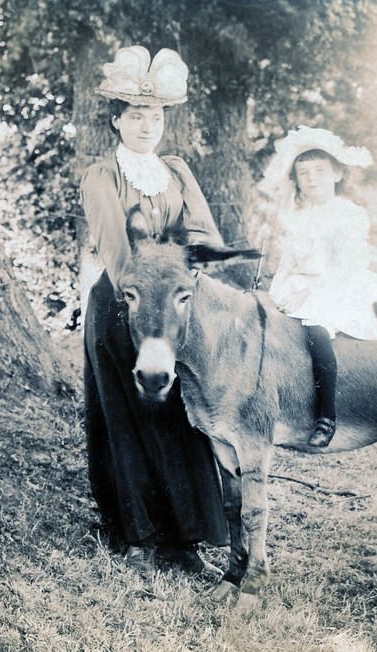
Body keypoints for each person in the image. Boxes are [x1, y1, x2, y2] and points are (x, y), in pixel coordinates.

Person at [79, 45, 228, 574]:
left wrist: (188, 278)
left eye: (156, 116)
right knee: (127, 420)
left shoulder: (176, 172)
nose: (147, 126)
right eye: (136, 116)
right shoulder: (103, 176)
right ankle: (138, 537)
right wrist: (153, 294)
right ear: (117, 121)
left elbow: (205, 236)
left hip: (173, 312)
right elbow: (119, 258)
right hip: (123, 309)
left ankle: (185, 541)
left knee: (181, 423)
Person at [259, 126, 377, 447]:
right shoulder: (297, 217)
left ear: (337, 173)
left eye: (320, 172)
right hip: (300, 285)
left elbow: (347, 265)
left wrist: (309, 294)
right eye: (303, 173)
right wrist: (277, 294)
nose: (311, 179)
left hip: (341, 286)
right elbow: (287, 264)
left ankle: (326, 415)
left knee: (316, 331)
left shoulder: (348, 215)